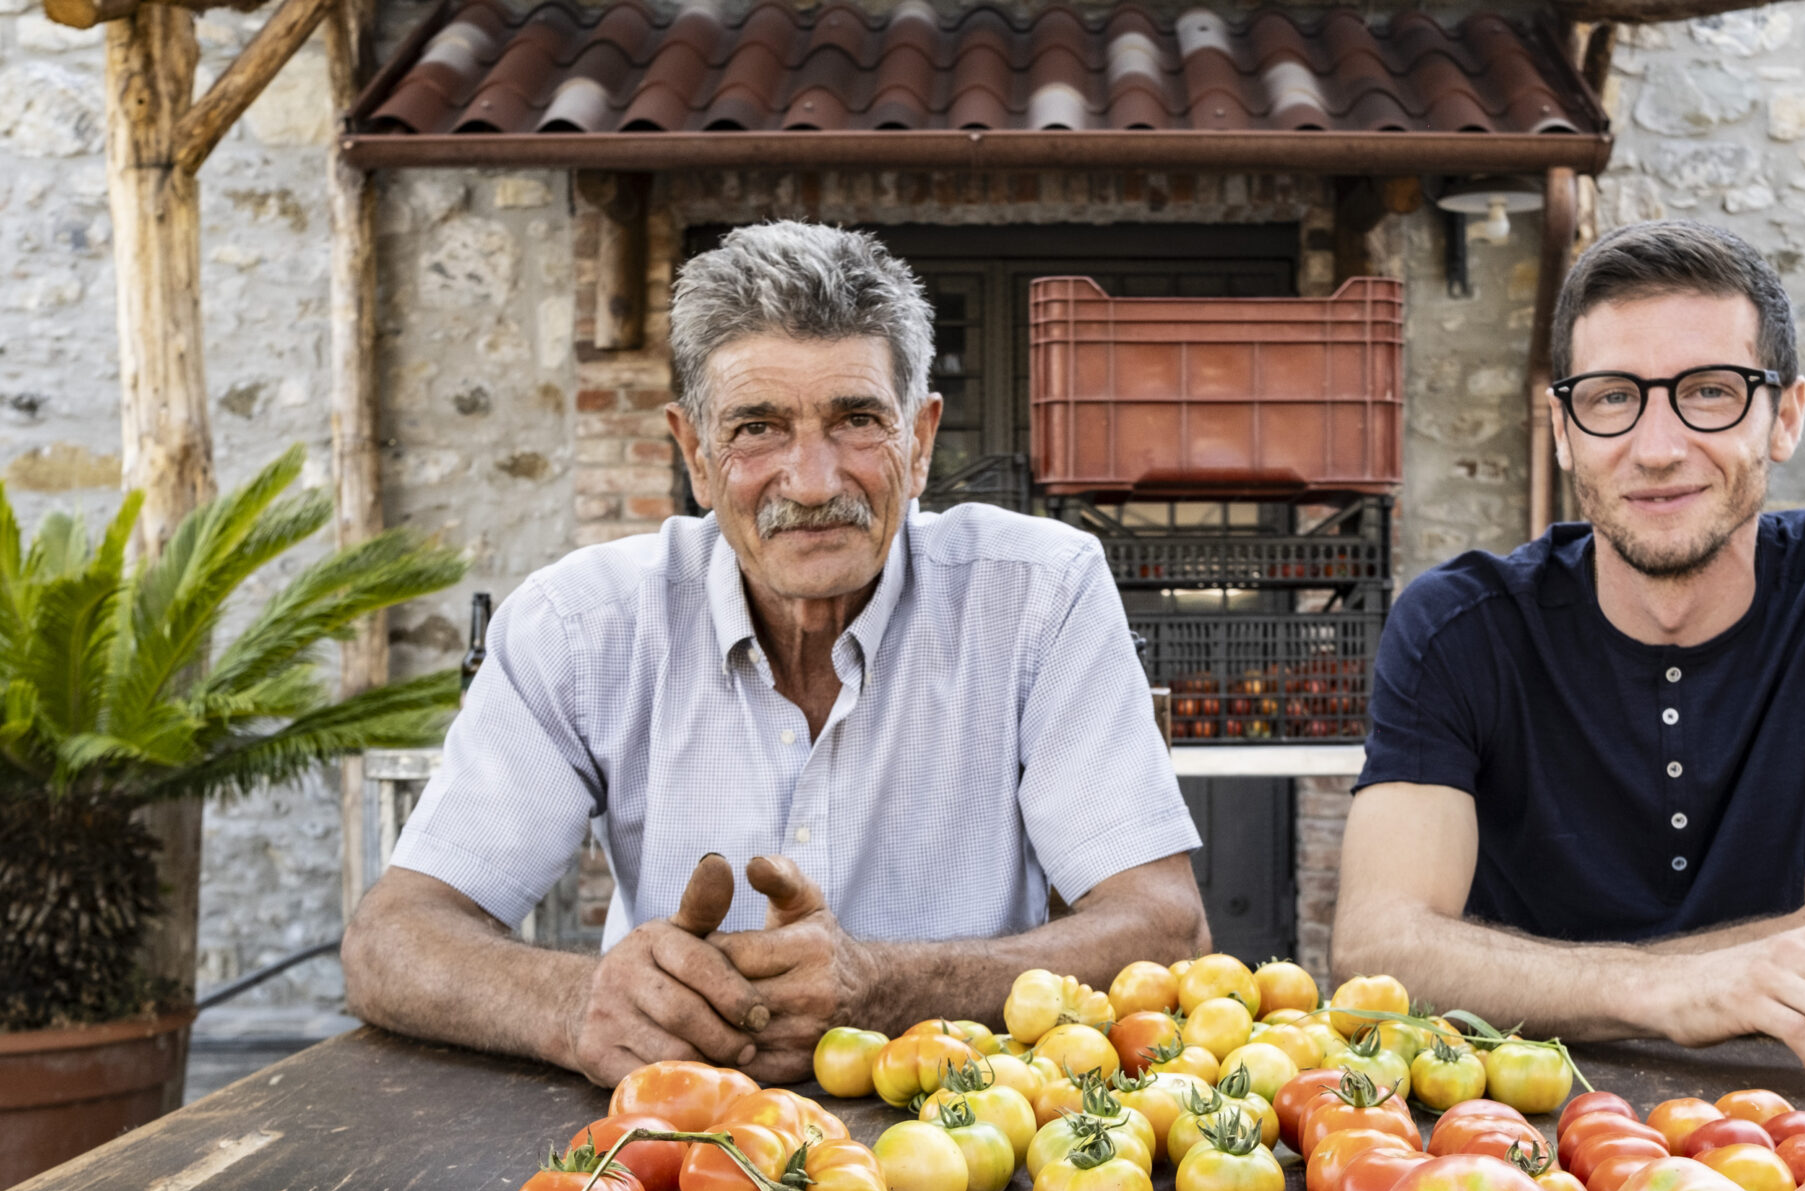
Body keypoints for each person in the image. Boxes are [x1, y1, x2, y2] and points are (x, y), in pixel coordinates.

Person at [344, 221, 1208, 1087]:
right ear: (695, 454)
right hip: (670, 1146)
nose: (812, 481)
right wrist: (577, 1003)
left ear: (920, 442)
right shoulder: (582, 626)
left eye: (857, 420)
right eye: (757, 427)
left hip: (975, 1140)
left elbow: (1164, 927)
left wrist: (880, 987)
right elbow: (393, 937)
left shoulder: (1038, 596)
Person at [1333, 220, 1805, 1088]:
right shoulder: (1458, 624)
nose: (1659, 446)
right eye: (1612, 397)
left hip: (1793, 1131)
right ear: (1564, 429)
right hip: (1511, 1137)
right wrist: (1662, 986)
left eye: (1710, 391)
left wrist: (1537, 978)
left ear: (1784, 417)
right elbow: (1380, 950)